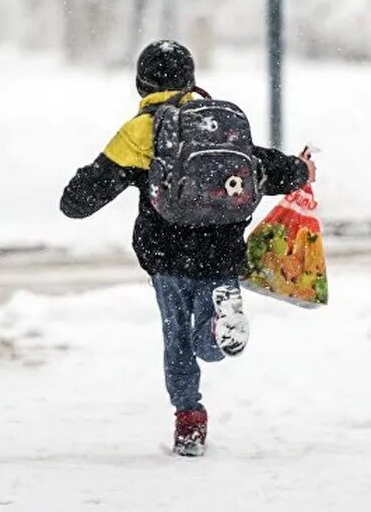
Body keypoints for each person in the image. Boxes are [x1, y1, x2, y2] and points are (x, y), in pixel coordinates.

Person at [59, 40, 314, 456]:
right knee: (206, 340)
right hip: (222, 248)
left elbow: (79, 202)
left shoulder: (141, 130)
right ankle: (218, 325)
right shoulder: (220, 122)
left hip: (167, 253)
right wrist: (301, 169)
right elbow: (262, 166)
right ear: (192, 79)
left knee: (176, 339)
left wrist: (81, 185)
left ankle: (189, 421)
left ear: (141, 83)